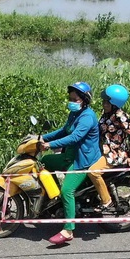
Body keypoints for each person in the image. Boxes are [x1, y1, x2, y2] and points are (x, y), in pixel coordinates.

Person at [39, 81, 106, 246]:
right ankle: (51, 202)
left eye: (75, 99)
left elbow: (75, 137)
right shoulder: (74, 114)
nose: (72, 101)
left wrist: (49, 145)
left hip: (83, 160)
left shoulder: (88, 117)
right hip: (70, 155)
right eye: (71, 98)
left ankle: (68, 230)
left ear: (84, 100)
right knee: (44, 161)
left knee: (67, 190)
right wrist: (41, 138)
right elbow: (64, 131)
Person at [99, 83, 130, 171]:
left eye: (107, 102)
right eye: (103, 101)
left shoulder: (121, 117)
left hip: (113, 155)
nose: (104, 104)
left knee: (94, 172)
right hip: (101, 151)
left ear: (115, 104)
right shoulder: (106, 115)